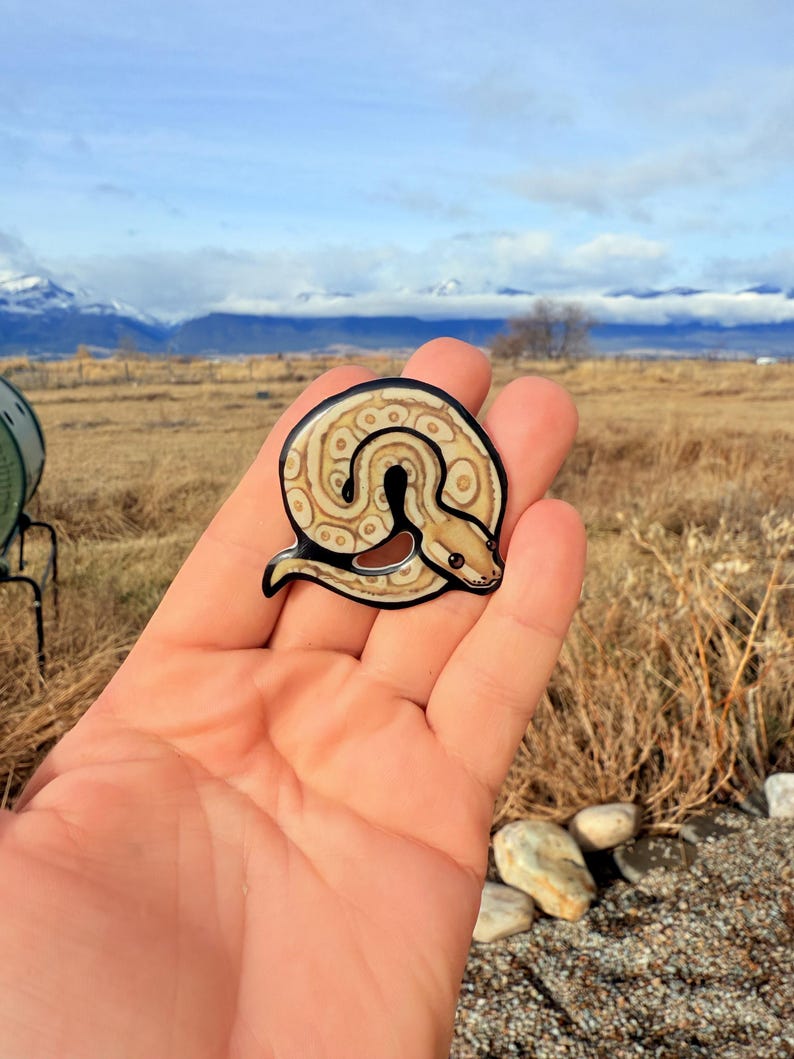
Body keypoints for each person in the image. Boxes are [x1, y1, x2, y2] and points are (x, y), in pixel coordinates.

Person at [0, 338, 585, 1058]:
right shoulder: (376, 519)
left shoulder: (417, 507)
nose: (474, 572)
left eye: (467, 562)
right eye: (463, 563)